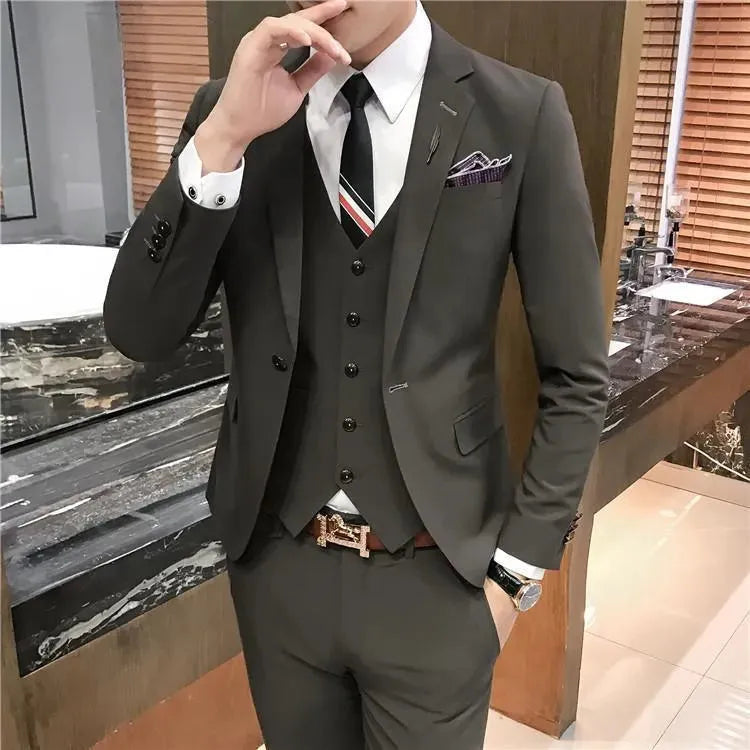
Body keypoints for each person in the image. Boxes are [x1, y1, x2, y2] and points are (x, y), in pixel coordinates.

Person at [104, 1, 609, 747]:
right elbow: (139, 331)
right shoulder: (233, 108)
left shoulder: (519, 112)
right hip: (278, 570)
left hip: (438, 577)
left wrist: (516, 574)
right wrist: (223, 138)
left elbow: (577, 375)